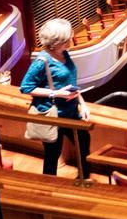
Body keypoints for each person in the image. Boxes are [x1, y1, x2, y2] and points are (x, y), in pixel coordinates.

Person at [20, 18, 91, 177]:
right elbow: (25, 87)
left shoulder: (65, 53)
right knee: (52, 155)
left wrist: (83, 104)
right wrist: (55, 93)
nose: (70, 40)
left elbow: (72, 83)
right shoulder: (41, 61)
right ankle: (49, 188)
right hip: (52, 115)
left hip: (71, 112)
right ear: (57, 41)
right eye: (66, 39)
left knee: (84, 144)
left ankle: (84, 180)